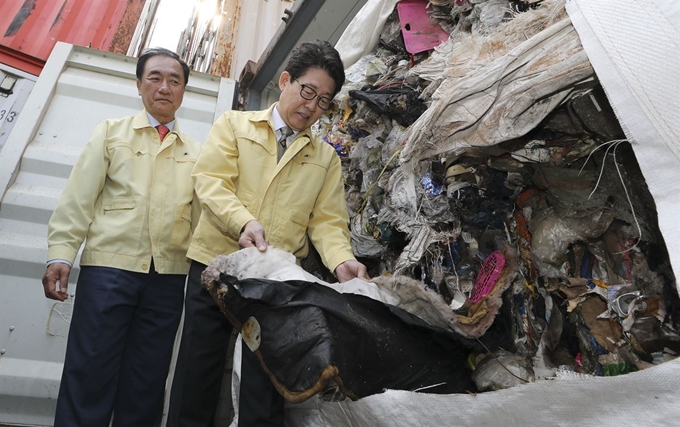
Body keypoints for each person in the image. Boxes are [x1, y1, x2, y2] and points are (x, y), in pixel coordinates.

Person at [168, 40, 369, 427]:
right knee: (197, 376)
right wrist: (243, 222)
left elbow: (327, 222)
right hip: (217, 268)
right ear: (284, 81)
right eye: (307, 91)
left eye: (323, 101)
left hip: (275, 282)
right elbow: (211, 182)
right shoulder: (235, 125)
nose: (311, 106)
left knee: (264, 387)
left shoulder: (325, 158)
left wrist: (343, 261)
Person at [41, 47, 201, 427]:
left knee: (146, 383)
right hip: (108, 272)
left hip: (167, 278)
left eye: (174, 80)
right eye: (155, 78)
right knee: (89, 373)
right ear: (139, 85)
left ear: (183, 91)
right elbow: (79, 198)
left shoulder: (197, 153)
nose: (165, 87)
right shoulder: (112, 133)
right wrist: (60, 254)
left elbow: (202, 220)